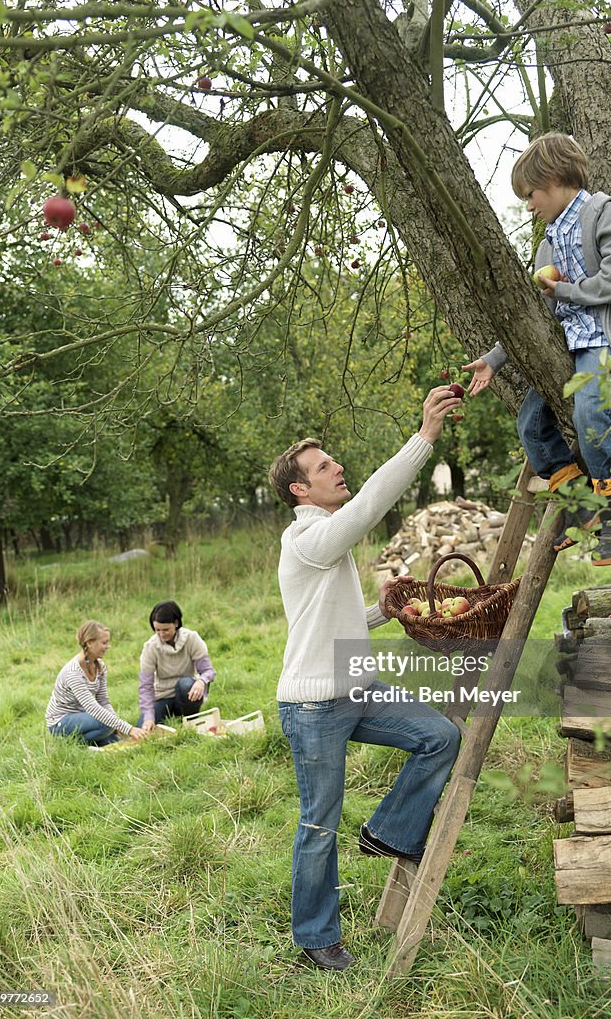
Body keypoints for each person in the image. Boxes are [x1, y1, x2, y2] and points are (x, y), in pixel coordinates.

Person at [268, 387, 463, 972]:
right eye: (324, 467)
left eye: (333, 461)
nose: (338, 468)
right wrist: (424, 438)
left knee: (440, 737)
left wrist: (380, 611)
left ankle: (389, 831)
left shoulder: (324, 546)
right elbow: (369, 506)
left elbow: (328, 620)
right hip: (314, 707)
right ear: (301, 490)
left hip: (359, 689)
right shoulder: (307, 538)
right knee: (319, 821)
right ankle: (316, 938)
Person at [464, 132, 611, 566]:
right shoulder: (548, 244)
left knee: (590, 416)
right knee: (531, 425)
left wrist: (567, 291)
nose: (529, 205)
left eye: (531, 194)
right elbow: (539, 312)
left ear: (554, 178)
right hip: (574, 347)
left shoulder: (607, 214)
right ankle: (581, 504)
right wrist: (494, 359)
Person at [47, 620, 146, 747]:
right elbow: (92, 708)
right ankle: (70, 744)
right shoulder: (73, 673)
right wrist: (129, 728)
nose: (108, 646)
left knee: (114, 742)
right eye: (104, 642)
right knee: (106, 724)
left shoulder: (100, 667)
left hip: (83, 717)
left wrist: (117, 725)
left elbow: (103, 701)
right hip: (61, 722)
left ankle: (89, 742)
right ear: (89, 643)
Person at [138, 600, 216, 731]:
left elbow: (208, 670)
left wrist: (201, 681)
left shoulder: (192, 638)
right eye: (157, 630)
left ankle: (189, 720)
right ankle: (165, 718)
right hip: (162, 696)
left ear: (176, 623)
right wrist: (149, 717)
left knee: (186, 684)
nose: (162, 634)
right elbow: (146, 686)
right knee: (143, 729)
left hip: (186, 692)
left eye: (166, 630)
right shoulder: (150, 647)